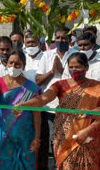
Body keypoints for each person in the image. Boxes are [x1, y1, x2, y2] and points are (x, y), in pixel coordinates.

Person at [17, 52, 100, 170]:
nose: (74, 70)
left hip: (88, 138)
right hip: (64, 137)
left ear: (86, 68)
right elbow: (43, 99)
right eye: (71, 67)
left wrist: (86, 131)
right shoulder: (60, 85)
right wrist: (24, 104)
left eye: (78, 67)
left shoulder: (97, 88)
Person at [0, 50, 41, 170]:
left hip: (26, 134)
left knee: (27, 161)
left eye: (17, 64)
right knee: (5, 161)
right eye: (10, 63)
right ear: (6, 64)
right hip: (5, 131)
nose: (13, 67)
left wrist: (37, 137)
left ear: (23, 66)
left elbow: (37, 114)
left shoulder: (32, 87)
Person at [35, 27, 77, 169]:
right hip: (49, 107)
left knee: (66, 141)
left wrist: (65, 72)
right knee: (49, 142)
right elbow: (38, 81)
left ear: (70, 40)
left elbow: (81, 79)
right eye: (58, 38)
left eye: (64, 38)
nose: (61, 40)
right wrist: (52, 72)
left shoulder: (76, 54)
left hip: (70, 106)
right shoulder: (47, 56)